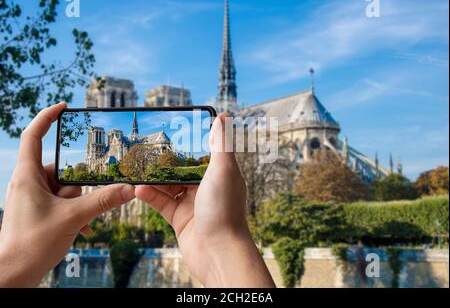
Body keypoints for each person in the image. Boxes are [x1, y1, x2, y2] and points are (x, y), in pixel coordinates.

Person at [0, 102, 275, 288]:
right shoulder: (116, 145)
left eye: (101, 135)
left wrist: (14, 263)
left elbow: (164, 155)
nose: (102, 139)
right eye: (98, 136)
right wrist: (224, 244)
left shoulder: (142, 141)